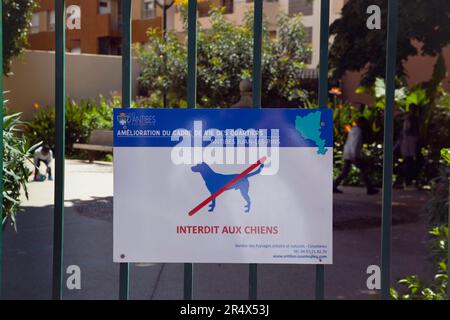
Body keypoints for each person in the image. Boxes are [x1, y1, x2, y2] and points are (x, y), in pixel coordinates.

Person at [334, 117, 379, 195]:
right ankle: (370, 188)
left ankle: (334, 186)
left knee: (346, 171)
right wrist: (355, 155)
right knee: (363, 170)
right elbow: (355, 143)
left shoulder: (353, 129)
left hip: (348, 152)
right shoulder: (358, 131)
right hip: (353, 154)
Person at [394, 107, 420, 188]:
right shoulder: (409, 120)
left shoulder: (411, 120)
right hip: (408, 144)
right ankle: (406, 181)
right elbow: (405, 132)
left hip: (409, 144)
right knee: (408, 162)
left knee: (409, 162)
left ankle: (406, 181)